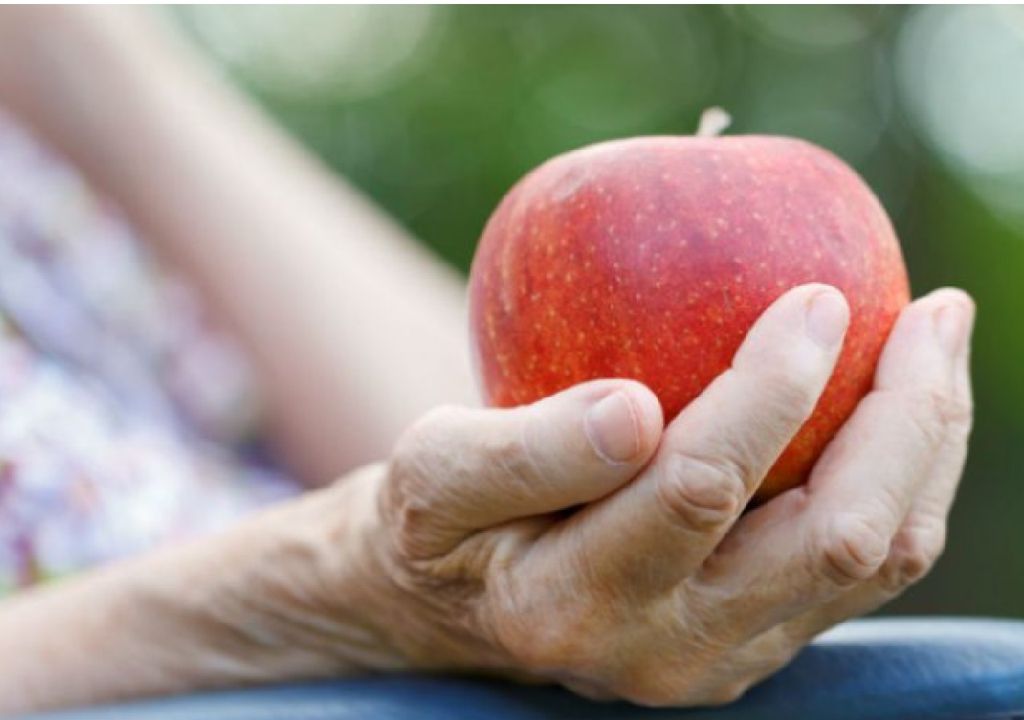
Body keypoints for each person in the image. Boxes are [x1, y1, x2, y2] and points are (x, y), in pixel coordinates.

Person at [0, 7, 975, 715]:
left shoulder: (45, 176)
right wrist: (310, 593)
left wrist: (75, 38)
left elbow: (477, 454)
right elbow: (406, 542)